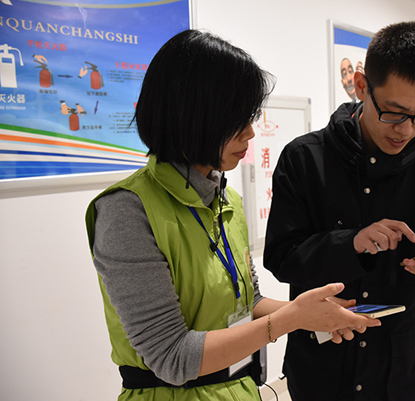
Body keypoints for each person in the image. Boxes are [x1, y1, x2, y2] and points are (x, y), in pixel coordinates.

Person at [84, 30, 381, 401]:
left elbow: (247, 303)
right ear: (190, 116)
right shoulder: (128, 211)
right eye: (236, 119)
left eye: (250, 117)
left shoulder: (227, 200)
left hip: (238, 389)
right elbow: (171, 357)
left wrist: (308, 312)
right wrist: (290, 319)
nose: (251, 133)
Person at [264, 21, 415, 400]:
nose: (406, 129)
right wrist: (350, 243)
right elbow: (280, 258)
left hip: (404, 372)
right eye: (394, 112)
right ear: (361, 86)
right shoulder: (304, 159)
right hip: (321, 370)